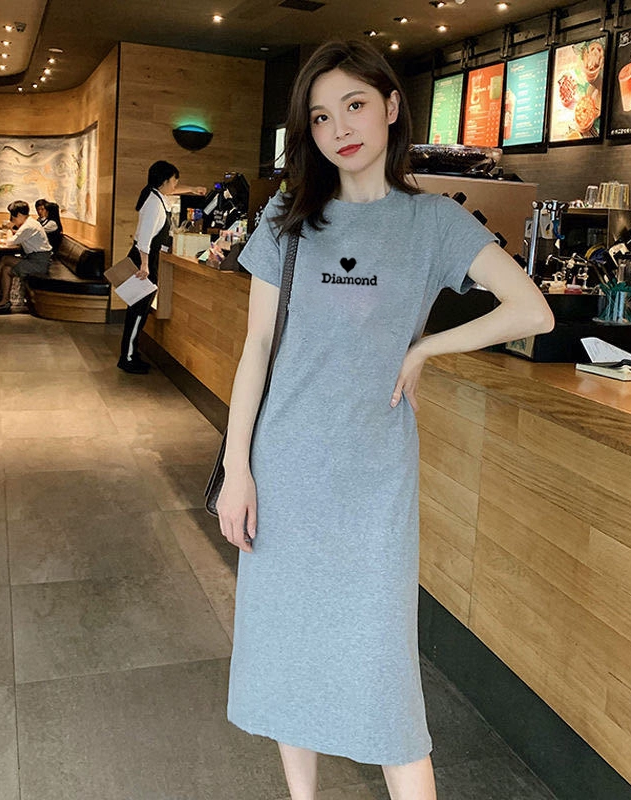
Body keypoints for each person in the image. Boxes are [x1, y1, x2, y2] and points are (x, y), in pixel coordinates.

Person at [217, 40, 554, 800]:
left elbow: (530, 309)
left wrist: (426, 347)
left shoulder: (433, 222)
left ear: (392, 107)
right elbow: (258, 347)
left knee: (384, 672)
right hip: (285, 467)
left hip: (375, 481)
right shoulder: (287, 219)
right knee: (289, 650)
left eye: (355, 105)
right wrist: (238, 468)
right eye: (321, 116)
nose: (340, 128)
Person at [118, 161, 206, 373]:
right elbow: (144, 239)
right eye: (175, 180)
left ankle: (131, 353)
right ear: (165, 181)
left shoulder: (155, 195)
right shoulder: (154, 204)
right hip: (144, 261)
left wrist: (192, 189)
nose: (176, 184)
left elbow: (173, 190)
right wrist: (145, 266)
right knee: (138, 312)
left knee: (139, 310)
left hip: (144, 259)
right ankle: (127, 358)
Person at [0, 200, 53, 312]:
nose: (13, 220)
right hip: (35, 259)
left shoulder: (29, 226)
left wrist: (9, 231)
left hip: (39, 262)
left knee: (5, 259)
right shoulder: (30, 223)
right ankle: (3, 298)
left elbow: (10, 242)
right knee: (6, 268)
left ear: (20, 215)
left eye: (14, 217)